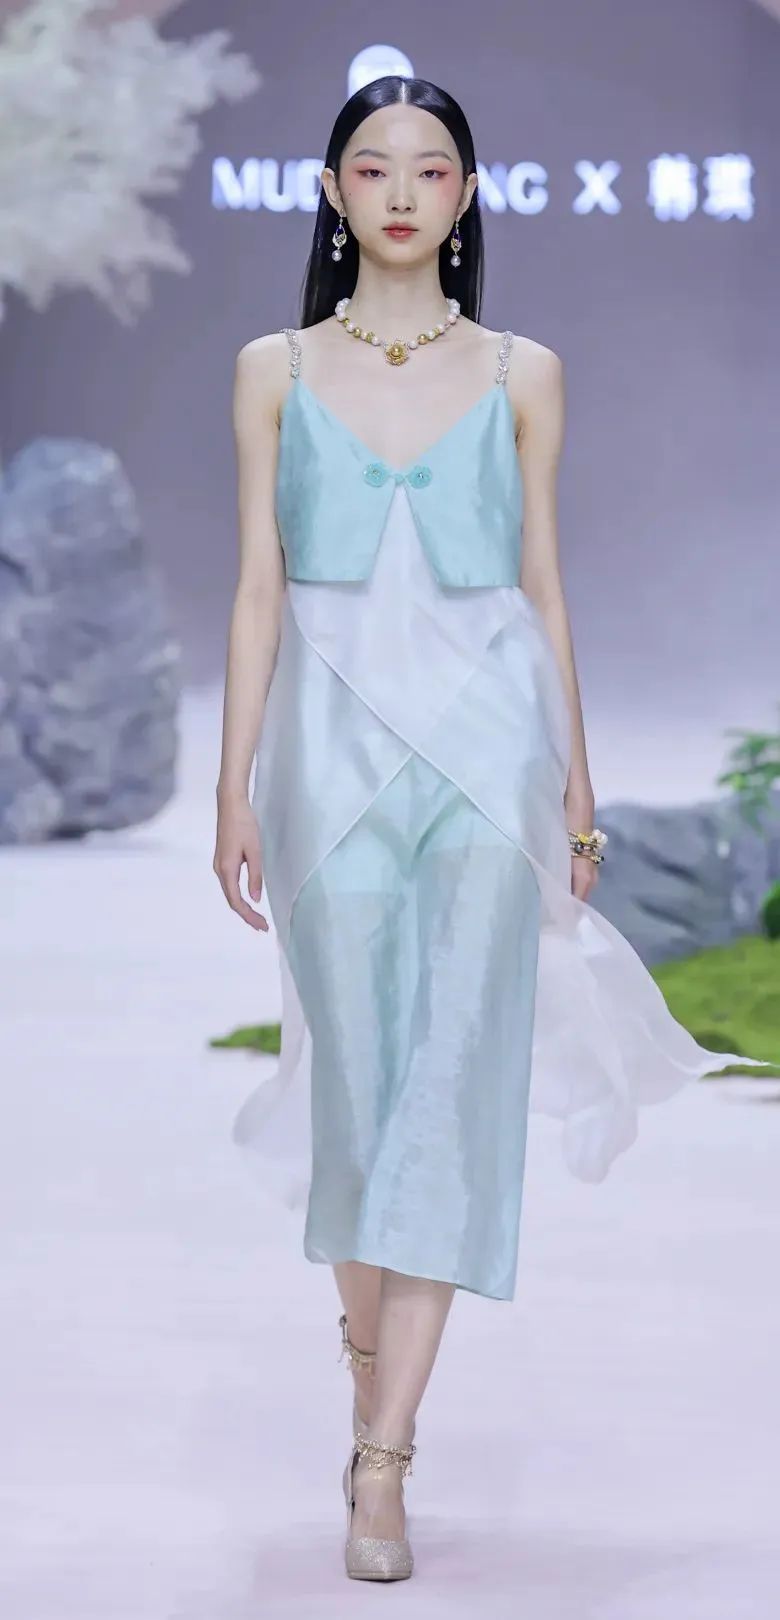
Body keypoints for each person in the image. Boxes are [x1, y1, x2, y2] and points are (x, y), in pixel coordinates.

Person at [214, 76, 766, 1582]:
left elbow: (543, 581)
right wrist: (232, 781)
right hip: (325, 757)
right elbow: (257, 586)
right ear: (333, 192)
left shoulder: (525, 370)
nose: (401, 192)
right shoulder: (272, 367)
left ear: (465, 196)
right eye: (372, 167)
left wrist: (575, 778)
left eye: (431, 168)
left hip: (487, 755)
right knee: (358, 1092)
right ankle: (368, 1369)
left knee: (454, 1083)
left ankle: (385, 1458)